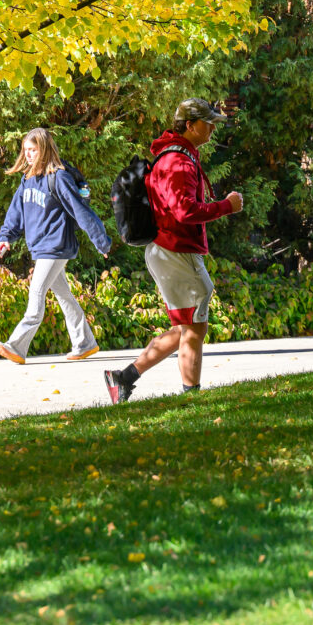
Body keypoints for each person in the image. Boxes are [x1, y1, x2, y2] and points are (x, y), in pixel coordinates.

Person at [103, 98, 243, 403]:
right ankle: (191, 396)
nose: (212, 128)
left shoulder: (174, 155)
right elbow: (184, 211)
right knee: (195, 326)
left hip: (166, 248)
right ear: (190, 126)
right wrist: (226, 207)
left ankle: (123, 378)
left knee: (187, 326)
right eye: (208, 123)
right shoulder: (178, 162)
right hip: (176, 249)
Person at [0, 128, 113, 364]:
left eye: (33, 150)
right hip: (41, 248)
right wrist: (5, 237)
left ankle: (16, 345)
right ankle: (84, 343)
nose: (28, 155)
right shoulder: (27, 180)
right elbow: (15, 213)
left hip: (56, 246)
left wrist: (101, 242)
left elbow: (81, 211)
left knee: (36, 292)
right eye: (25, 150)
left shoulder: (58, 177)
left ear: (44, 149)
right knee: (64, 295)